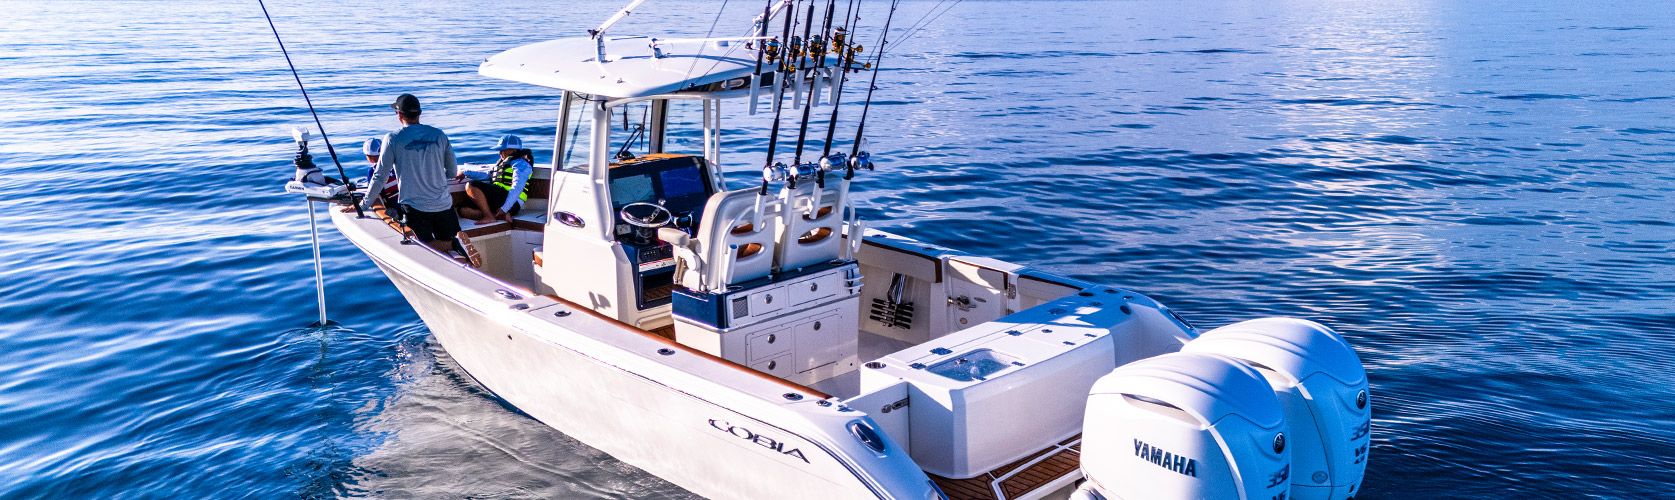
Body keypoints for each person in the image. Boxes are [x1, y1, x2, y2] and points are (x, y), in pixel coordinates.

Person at [360, 94, 459, 254]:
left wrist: (363, 204)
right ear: (419, 113)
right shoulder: (439, 134)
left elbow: (380, 176)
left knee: (422, 248)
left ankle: (453, 245)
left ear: (399, 115)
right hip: (444, 204)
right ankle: (457, 248)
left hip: (415, 208)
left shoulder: (393, 138)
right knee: (450, 245)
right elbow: (452, 172)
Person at [456, 134, 532, 226]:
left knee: (471, 185)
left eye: (502, 150)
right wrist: (465, 172)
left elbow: (517, 187)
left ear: (513, 150)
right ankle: (498, 216)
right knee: (463, 210)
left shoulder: (520, 164)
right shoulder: (502, 162)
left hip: (512, 202)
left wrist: (505, 208)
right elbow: (488, 175)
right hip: (499, 198)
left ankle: (489, 216)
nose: (499, 153)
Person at [361, 137, 400, 215]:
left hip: (393, 205)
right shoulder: (396, 163)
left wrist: (362, 205)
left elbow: (373, 190)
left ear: (368, 156)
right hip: (404, 200)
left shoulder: (372, 170)